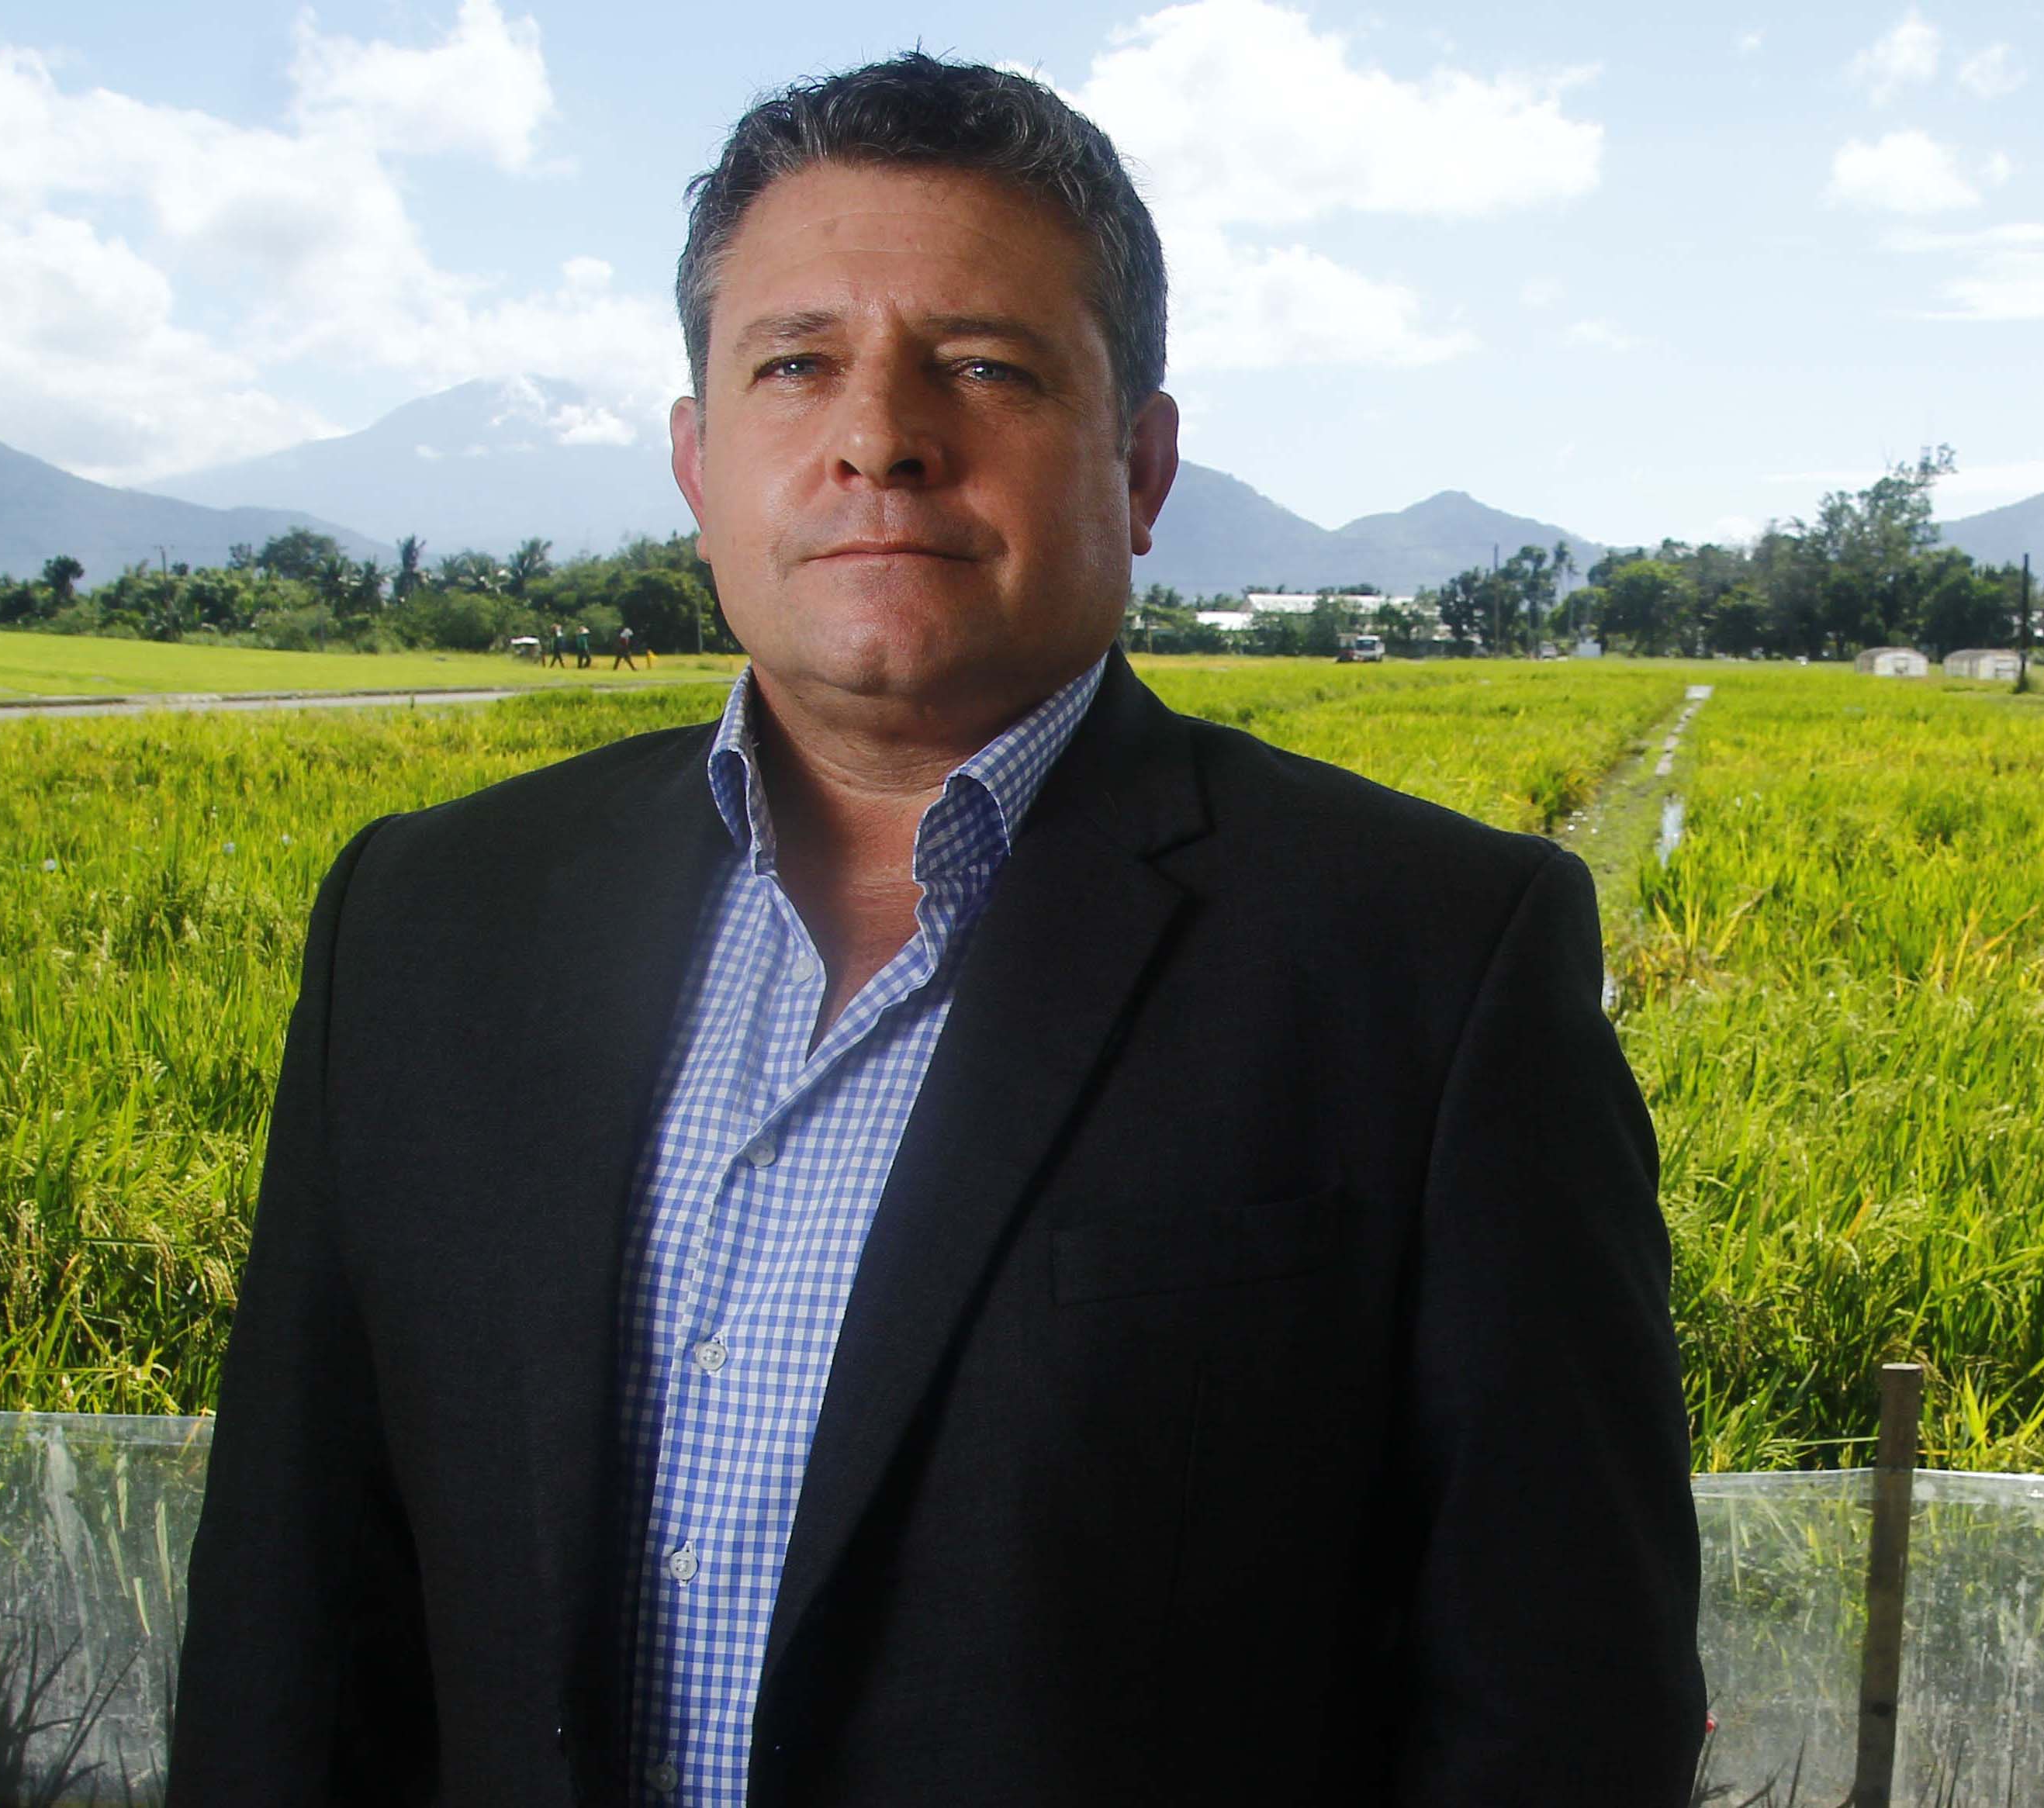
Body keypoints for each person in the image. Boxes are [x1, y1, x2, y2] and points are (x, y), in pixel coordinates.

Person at [169, 52, 1700, 1808]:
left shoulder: (1433, 964)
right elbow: (294, 1633)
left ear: (1139, 466)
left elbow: (1557, 1715)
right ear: (697, 458)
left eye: (981, 364)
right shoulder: (428, 921)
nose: (878, 432)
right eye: (795, 362)